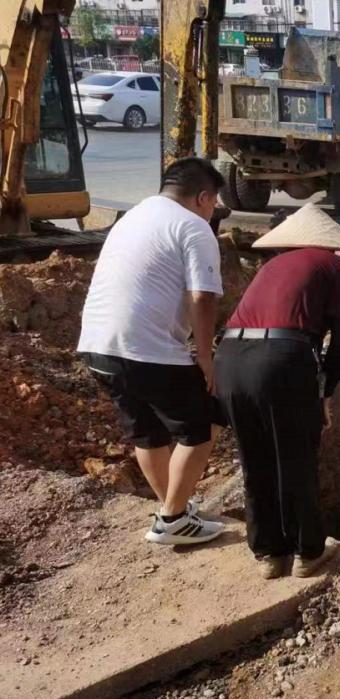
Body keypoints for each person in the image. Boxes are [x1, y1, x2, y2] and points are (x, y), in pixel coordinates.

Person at [78, 157, 226, 546]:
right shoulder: (194, 226)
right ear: (203, 197)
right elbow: (203, 296)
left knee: (148, 434)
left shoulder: (133, 217)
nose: (213, 212)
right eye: (214, 204)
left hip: (97, 345)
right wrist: (205, 357)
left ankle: (172, 510)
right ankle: (173, 517)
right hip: (147, 348)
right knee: (202, 426)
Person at [214, 204, 340, 580]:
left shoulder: (271, 267)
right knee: (295, 459)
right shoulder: (338, 268)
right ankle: (307, 553)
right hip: (281, 360)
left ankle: (268, 553)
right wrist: (325, 392)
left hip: (229, 359)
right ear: (330, 244)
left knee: (255, 459)